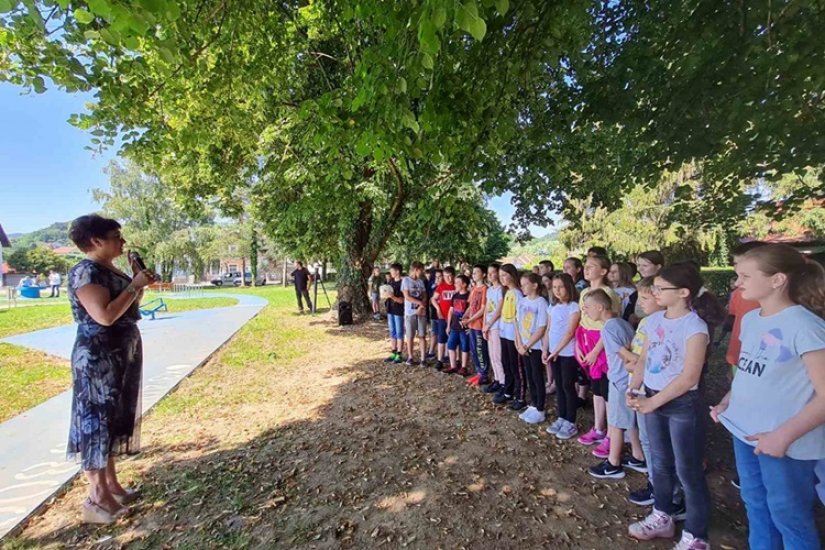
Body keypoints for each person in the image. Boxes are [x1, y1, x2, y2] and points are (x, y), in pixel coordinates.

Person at [711, 244, 825, 550]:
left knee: (789, 516)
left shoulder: (805, 326)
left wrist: (782, 437)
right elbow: (751, 372)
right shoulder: (751, 320)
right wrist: (727, 401)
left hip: (784, 443)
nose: (738, 283)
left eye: (746, 275)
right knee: (756, 505)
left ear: (777, 280)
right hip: (745, 432)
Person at [626, 263, 724, 549]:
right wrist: (634, 387)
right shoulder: (655, 320)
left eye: (659, 288)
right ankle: (662, 515)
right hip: (652, 399)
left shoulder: (694, 325)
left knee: (688, 469)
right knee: (660, 463)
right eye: (653, 288)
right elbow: (644, 360)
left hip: (681, 405)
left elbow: (690, 377)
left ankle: (696, 534)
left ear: (683, 292)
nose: (654, 292)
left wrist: (653, 402)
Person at [66, 214, 155, 524]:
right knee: (97, 424)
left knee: (115, 420)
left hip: (121, 353)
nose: (122, 241)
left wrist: (137, 284)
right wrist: (133, 285)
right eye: (116, 235)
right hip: (98, 358)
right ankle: (96, 497)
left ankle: (113, 486)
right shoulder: (86, 272)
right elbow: (103, 316)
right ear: (95, 241)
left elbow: (129, 306)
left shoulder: (109, 269)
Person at [585, 289, 646, 480]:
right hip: (626, 380)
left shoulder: (609, 328)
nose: (585, 311)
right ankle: (638, 456)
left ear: (600, 307)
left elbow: (626, 354)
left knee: (616, 424)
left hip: (620, 381)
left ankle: (613, 464)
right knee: (628, 421)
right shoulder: (621, 322)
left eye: (587, 307)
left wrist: (638, 363)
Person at [575, 255, 621, 453]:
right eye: (585, 266)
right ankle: (598, 427)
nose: (586, 269)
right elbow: (582, 319)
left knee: (607, 390)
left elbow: (610, 324)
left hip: (602, 346)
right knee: (597, 390)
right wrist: (579, 345)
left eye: (592, 266)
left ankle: (612, 434)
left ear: (603, 271)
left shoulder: (608, 292)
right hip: (586, 342)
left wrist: (596, 350)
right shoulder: (584, 291)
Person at [544, 273, 581, 440]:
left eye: (561, 287)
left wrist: (555, 351)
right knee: (558, 384)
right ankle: (562, 416)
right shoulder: (553, 307)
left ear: (568, 287)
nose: (557, 291)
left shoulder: (573, 307)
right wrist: (545, 350)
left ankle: (571, 421)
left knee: (567, 385)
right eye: (554, 287)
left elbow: (570, 332)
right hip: (553, 353)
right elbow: (548, 330)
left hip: (567, 353)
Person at [515, 272, 549, 424]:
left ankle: (540, 408)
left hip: (534, 346)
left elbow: (542, 327)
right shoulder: (522, 301)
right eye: (521, 285)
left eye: (525, 284)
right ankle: (533, 404)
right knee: (529, 376)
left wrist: (527, 344)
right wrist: (518, 343)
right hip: (523, 346)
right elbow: (516, 322)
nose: (522, 287)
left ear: (535, 285)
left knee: (537, 377)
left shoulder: (541, 302)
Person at [492, 264, 525, 409]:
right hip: (505, 333)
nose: (502, 278)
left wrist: (518, 337)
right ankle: (508, 391)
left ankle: (520, 395)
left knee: (516, 366)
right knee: (506, 363)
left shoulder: (517, 294)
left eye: (505, 275)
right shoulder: (507, 292)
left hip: (514, 336)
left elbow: (518, 318)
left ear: (512, 275)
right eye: (500, 276)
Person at [462, 265, 489, 386]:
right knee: (473, 350)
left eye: (477, 272)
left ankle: (484, 374)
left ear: (483, 274)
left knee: (480, 350)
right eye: (473, 273)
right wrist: (464, 317)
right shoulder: (473, 289)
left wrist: (470, 320)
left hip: (478, 325)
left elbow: (483, 309)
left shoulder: (485, 289)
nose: (474, 274)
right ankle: (478, 372)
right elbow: (470, 306)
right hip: (471, 325)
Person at [482, 263, 505, 394]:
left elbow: (499, 309)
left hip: (496, 326)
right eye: (488, 273)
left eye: (493, 272)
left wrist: (489, 324)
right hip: (488, 326)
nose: (490, 275)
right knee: (491, 354)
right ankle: (497, 379)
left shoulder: (501, 289)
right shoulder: (490, 290)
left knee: (497, 355)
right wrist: (484, 325)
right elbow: (487, 308)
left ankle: (503, 381)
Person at [401, 261, 428, 367]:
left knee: (422, 335)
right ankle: (410, 357)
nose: (422, 272)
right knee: (410, 336)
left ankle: (423, 359)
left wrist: (422, 305)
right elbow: (407, 296)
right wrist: (419, 303)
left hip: (421, 311)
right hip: (410, 312)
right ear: (416, 269)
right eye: (421, 270)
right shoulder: (406, 281)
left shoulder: (421, 281)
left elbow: (425, 295)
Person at [445, 274, 471, 375]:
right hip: (454, 326)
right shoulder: (455, 296)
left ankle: (464, 367)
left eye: (457, 283)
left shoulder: (469, 296)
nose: (455, 284)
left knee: (464, 346)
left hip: (464, 327)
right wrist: (448, 325)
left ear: (464, 284)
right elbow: (451, 311)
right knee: (451, 345)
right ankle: (453, 366)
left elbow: (472, 311)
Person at [431, 266, 456, 370]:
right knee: (441, 339)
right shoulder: (441, 286)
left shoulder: (456, 285)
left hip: (455, 318)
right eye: (445, 276)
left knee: (454, 339)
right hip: (442, 317)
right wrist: (438, 308)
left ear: (453, 275)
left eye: (450, 276)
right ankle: (440, 360)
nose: (448, 278)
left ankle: (454, 361)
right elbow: (433, 299)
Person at [383, 263, 405, 364]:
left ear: (397, 272)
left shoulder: (403, 283)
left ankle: (399, 354)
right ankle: (394, 351)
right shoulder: (391, 282)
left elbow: (402, 300)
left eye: (392, 271)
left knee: (399, 331)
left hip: (398, 311)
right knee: (392, 331)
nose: (390, 273)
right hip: (390, 309)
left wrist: (392, 297)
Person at [427, 269, 444, 361]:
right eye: (436, 277)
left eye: (439, 276)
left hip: (443, 315)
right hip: (434, 314)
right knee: (434, 333)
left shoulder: (446, 287)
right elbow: (430, 299)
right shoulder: (433, 287)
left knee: (443, 335)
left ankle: (445, 355)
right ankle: (431, 351)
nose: (437, 279)